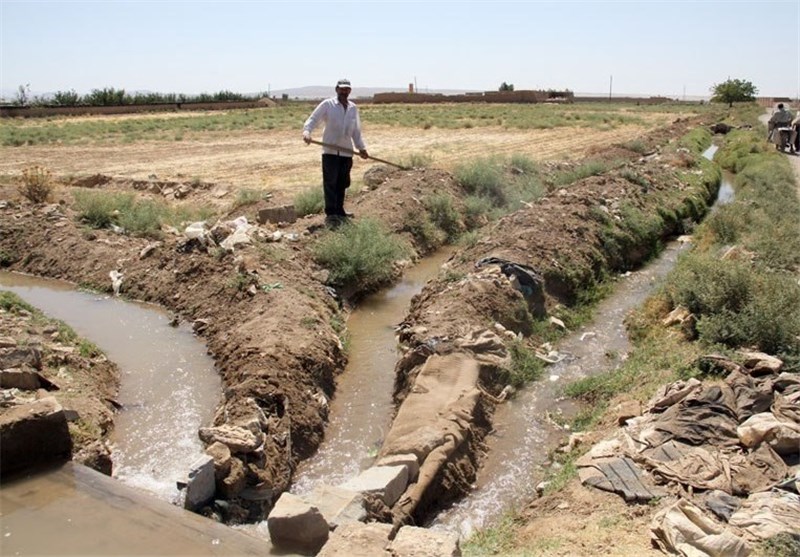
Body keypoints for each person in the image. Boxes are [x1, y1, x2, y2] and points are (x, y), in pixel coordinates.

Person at [303, 78, 369, 228]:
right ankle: (331, 214)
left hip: (347, 153)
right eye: (341, 89)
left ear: (350, 91)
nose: (344, 91)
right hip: (330, 152)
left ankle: (340, 211)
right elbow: (313, 119)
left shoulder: (353, 108)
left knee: (343, 183)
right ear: (336, 89)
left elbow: (356, 131)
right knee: (330, 182)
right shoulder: (328, 104)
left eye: (347, 89)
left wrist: (361, 148)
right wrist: (307, 132)